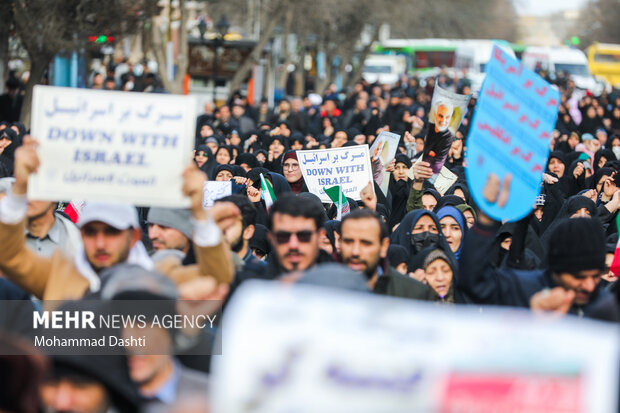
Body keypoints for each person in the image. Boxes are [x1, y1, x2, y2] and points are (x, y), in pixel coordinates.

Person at [0, 137, 238, 300]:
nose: (100, 243)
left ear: (134, 236)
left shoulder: (160, 276)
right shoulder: (59, 273)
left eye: (112, 232)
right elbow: (9, 256)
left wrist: (200, 215)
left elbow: (217, 279)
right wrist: (20, 188)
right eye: (91, 232)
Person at [459, 173, 613, 317]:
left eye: (595, 277)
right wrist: (486, 221)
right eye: (579, 277)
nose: (589, 286)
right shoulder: (525, 288)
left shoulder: (606, 306)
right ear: (558, 270)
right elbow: (474, 282)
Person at [339, 209, 435, 300]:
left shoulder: (414, 293)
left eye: (366, 243)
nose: (355, 252)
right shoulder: (325, 287)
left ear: (384, 246)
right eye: (348, 242)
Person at [215, 194, 265, 268]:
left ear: (248, 231)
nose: (222, 228)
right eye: (217, 222)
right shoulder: (203, 269)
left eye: (229, 225)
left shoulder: (265, 274)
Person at [422, 100, 455, 174]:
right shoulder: (428, 129)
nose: (443, 120)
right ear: (434, 114)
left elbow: (437, 163)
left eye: (447, 117)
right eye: (441, 116)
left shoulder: (448, 137)